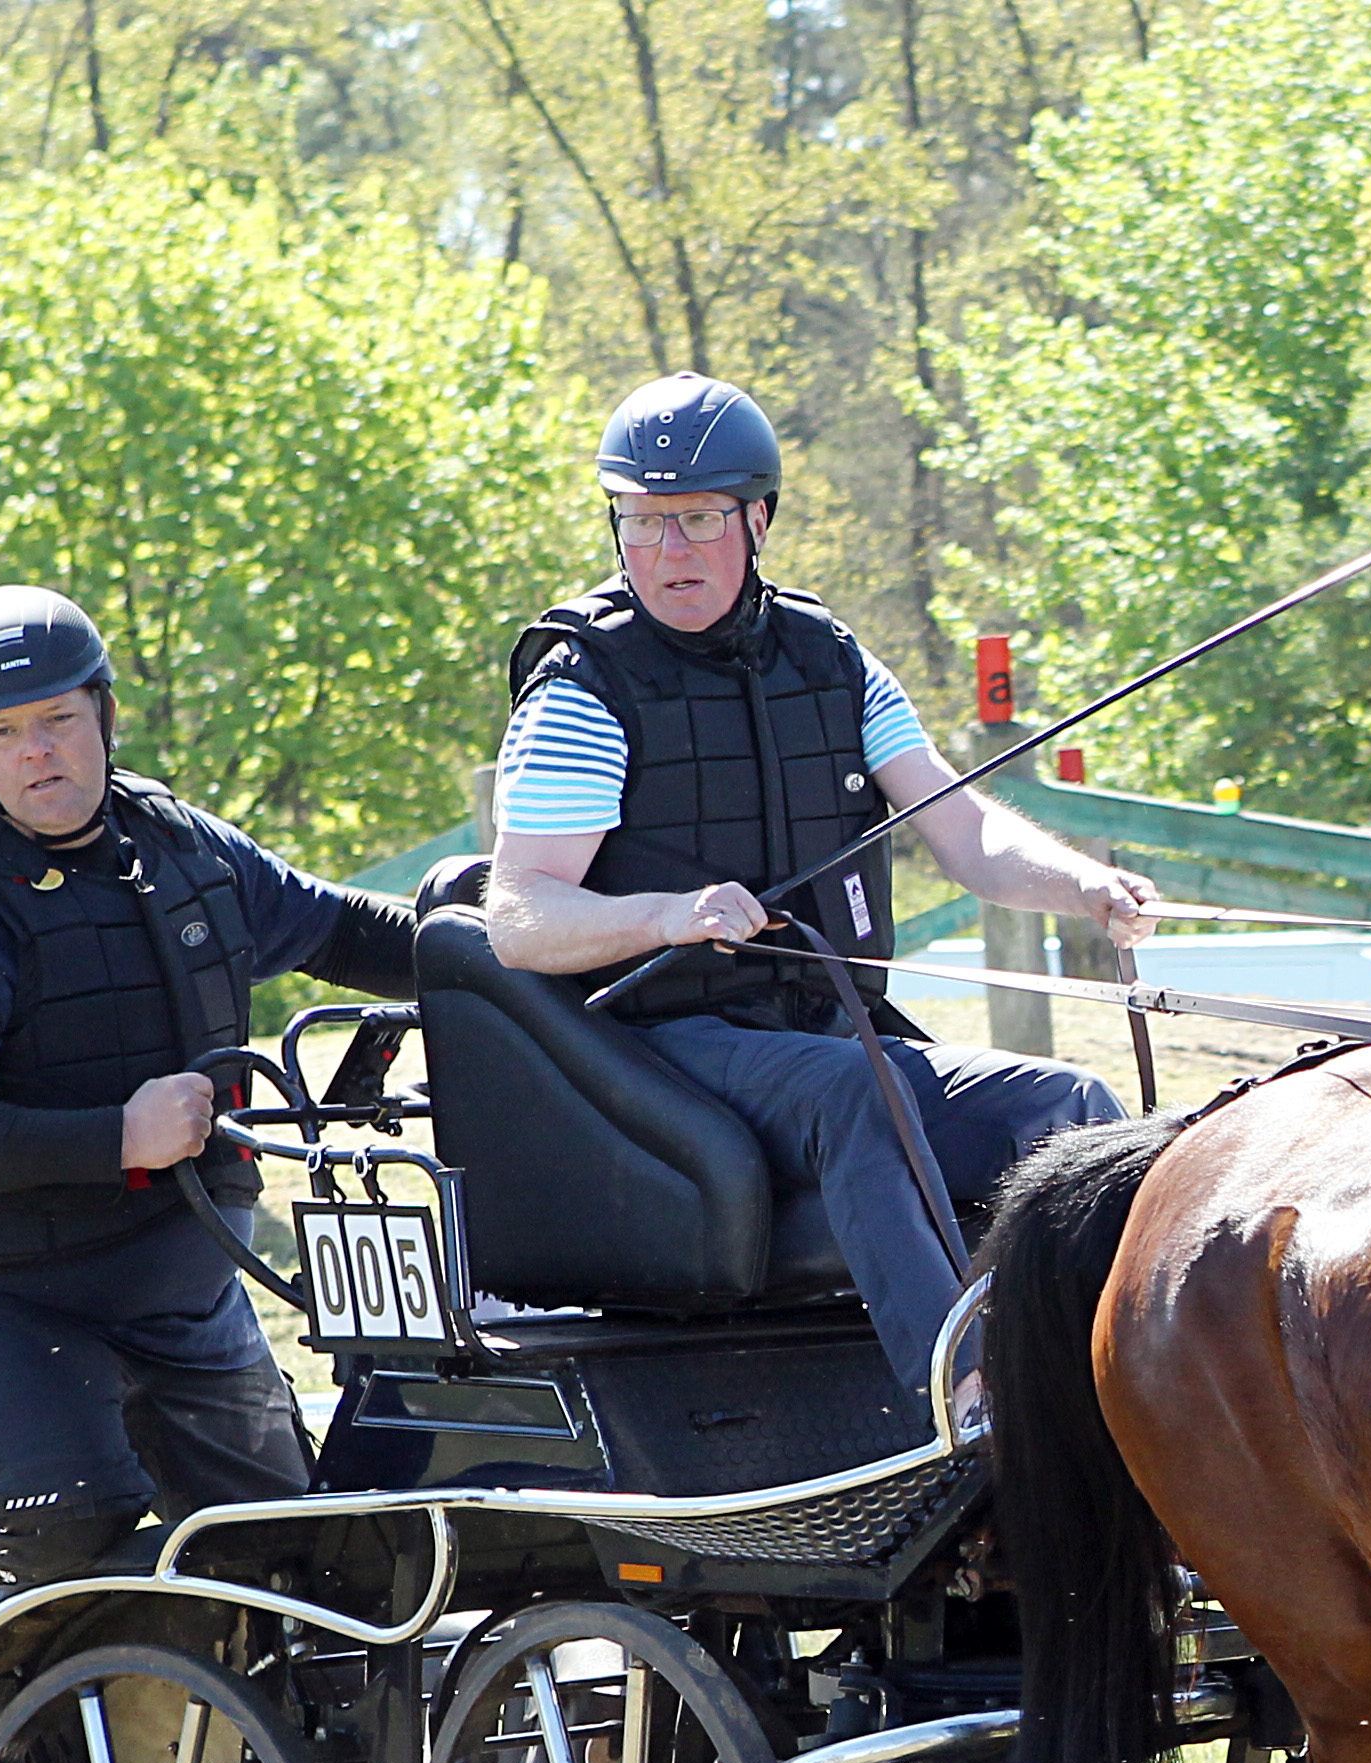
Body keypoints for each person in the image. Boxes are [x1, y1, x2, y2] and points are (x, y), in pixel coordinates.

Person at [481, 373, 1152, 1415]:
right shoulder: (587, 686)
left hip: (828, 1030)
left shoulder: (831, 660)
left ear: (757, 518)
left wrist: (1084, 885)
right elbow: (518, 916)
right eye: (642, 522)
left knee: (1069, 1106)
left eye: (698, 518)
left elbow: (965, 833)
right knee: (855, 1091)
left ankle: (1112, 1379)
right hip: (661, 1047)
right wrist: (669, 915)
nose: (669, 551)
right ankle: (964, 1399)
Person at [0, 586, 423, 1586]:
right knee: (72, 1519)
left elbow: (340, 930)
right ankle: (3, 1740)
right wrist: (120, 1135)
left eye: (58, 718)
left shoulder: (180, 848)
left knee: (300, 1558)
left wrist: (509, 953)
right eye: (5, 730)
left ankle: (241, 1730)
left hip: (162, 1266)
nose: (38, 751)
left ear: (104, 712)